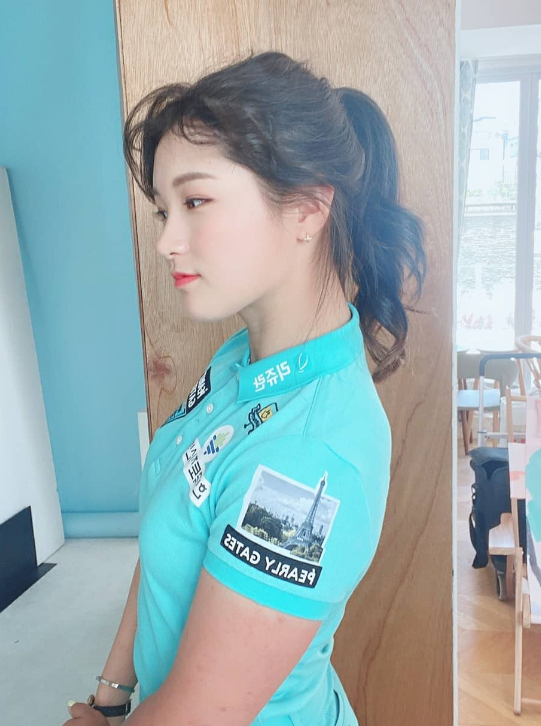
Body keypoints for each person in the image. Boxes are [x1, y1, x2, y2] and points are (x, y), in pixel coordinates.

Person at [64, 50, 426, 726]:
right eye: (163, 211)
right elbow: (170, 520)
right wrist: (109, 697)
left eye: (195, 201)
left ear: (307, 208)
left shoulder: (306, 462)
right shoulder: (241, 361)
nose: (167, 241)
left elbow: (199, 716)